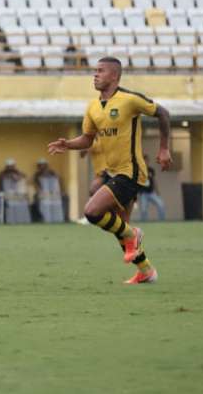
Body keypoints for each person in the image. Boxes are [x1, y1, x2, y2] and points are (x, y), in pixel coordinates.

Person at [47, 56, 172, 285]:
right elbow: (87, 139)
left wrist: (164, 148)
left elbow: (163, 113)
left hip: (131, 172)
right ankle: (146, 271)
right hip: (115, 173)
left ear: (114, 76)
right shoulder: (93, 107)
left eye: (101, 71)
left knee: (92, 212)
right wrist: (68, 144)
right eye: (95, 71)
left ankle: (133, 233)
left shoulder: (130, 100)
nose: (95, 74)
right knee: (119, 229)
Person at [0, 158, 30, 224]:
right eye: (9, 166)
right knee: (11, 205)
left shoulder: (17, 172)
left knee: (22, 204)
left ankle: (22, 221)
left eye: (12, 166)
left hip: (17, 194)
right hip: (7, 194)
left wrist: (17, 175)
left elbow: (24, 176)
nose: (10, 168)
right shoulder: (3, 173)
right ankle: (11, 221)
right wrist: (12, 176)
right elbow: (3, 178)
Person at [34, 158, 64, 224]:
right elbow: (37, 184)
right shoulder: (37, 174)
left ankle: (57, 220)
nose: (42, 166)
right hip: (43, 193)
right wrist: (39, 192)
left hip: (54, 193)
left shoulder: (52, 172)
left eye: (43, 165)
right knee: (44, 205)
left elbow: (58, 180)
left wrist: (61, 191)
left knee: (56, 205)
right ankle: (45, 219)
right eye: (41, 165)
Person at [136, 155, 165, 222]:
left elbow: (154, 180)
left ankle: (163, 221)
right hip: (143, 193)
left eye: (147, 161)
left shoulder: (151, 170)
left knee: (161, 205)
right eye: (145, 161)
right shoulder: (139, 170)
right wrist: (136, 193)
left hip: (152, 192)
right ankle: (145, 223)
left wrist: (157, 190)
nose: (146, 162)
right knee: (143, 210)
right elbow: (137, 182)